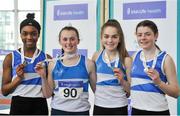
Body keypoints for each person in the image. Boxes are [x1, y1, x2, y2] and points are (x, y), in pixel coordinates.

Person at [35, 26, 97, 115]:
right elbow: (47, 95)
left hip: (81, 112)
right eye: (65, 39)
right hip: (58, 111)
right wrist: (43, 77)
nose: (68, 42)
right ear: (60, 41)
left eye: (72, 39)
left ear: (78, 41)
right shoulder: (53, 64)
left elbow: (97, 92)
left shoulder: (89, 64)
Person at [1, 13, 51, 115]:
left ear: (38, 35)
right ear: (20, 35)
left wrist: (43, 77)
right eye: (25, 33)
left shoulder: (47, 59)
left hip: (39, 105)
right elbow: (4, 91)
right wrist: (18, 79)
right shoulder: (11, 58)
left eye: (33, 33)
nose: (29, 37)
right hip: (18, 105)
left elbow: (50, 92)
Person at [130, 20, 179, 115]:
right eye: (139, 35)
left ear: (156, 36)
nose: (143, 38)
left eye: (147, 34)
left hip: (158, 111)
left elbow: (176, 93)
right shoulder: (134, 56)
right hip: (136, 110)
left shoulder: (166, 59)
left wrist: (159, 82)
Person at [92, 19, 132, 115]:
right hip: (99, 106)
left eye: (114, 37)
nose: (110, 40)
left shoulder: (126, 60)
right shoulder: (96, 56)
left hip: (119, 107)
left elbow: (131, 90)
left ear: (120, 39)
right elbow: (93, 83)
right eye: (106, 36)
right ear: (101, 38)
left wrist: (122, 81)